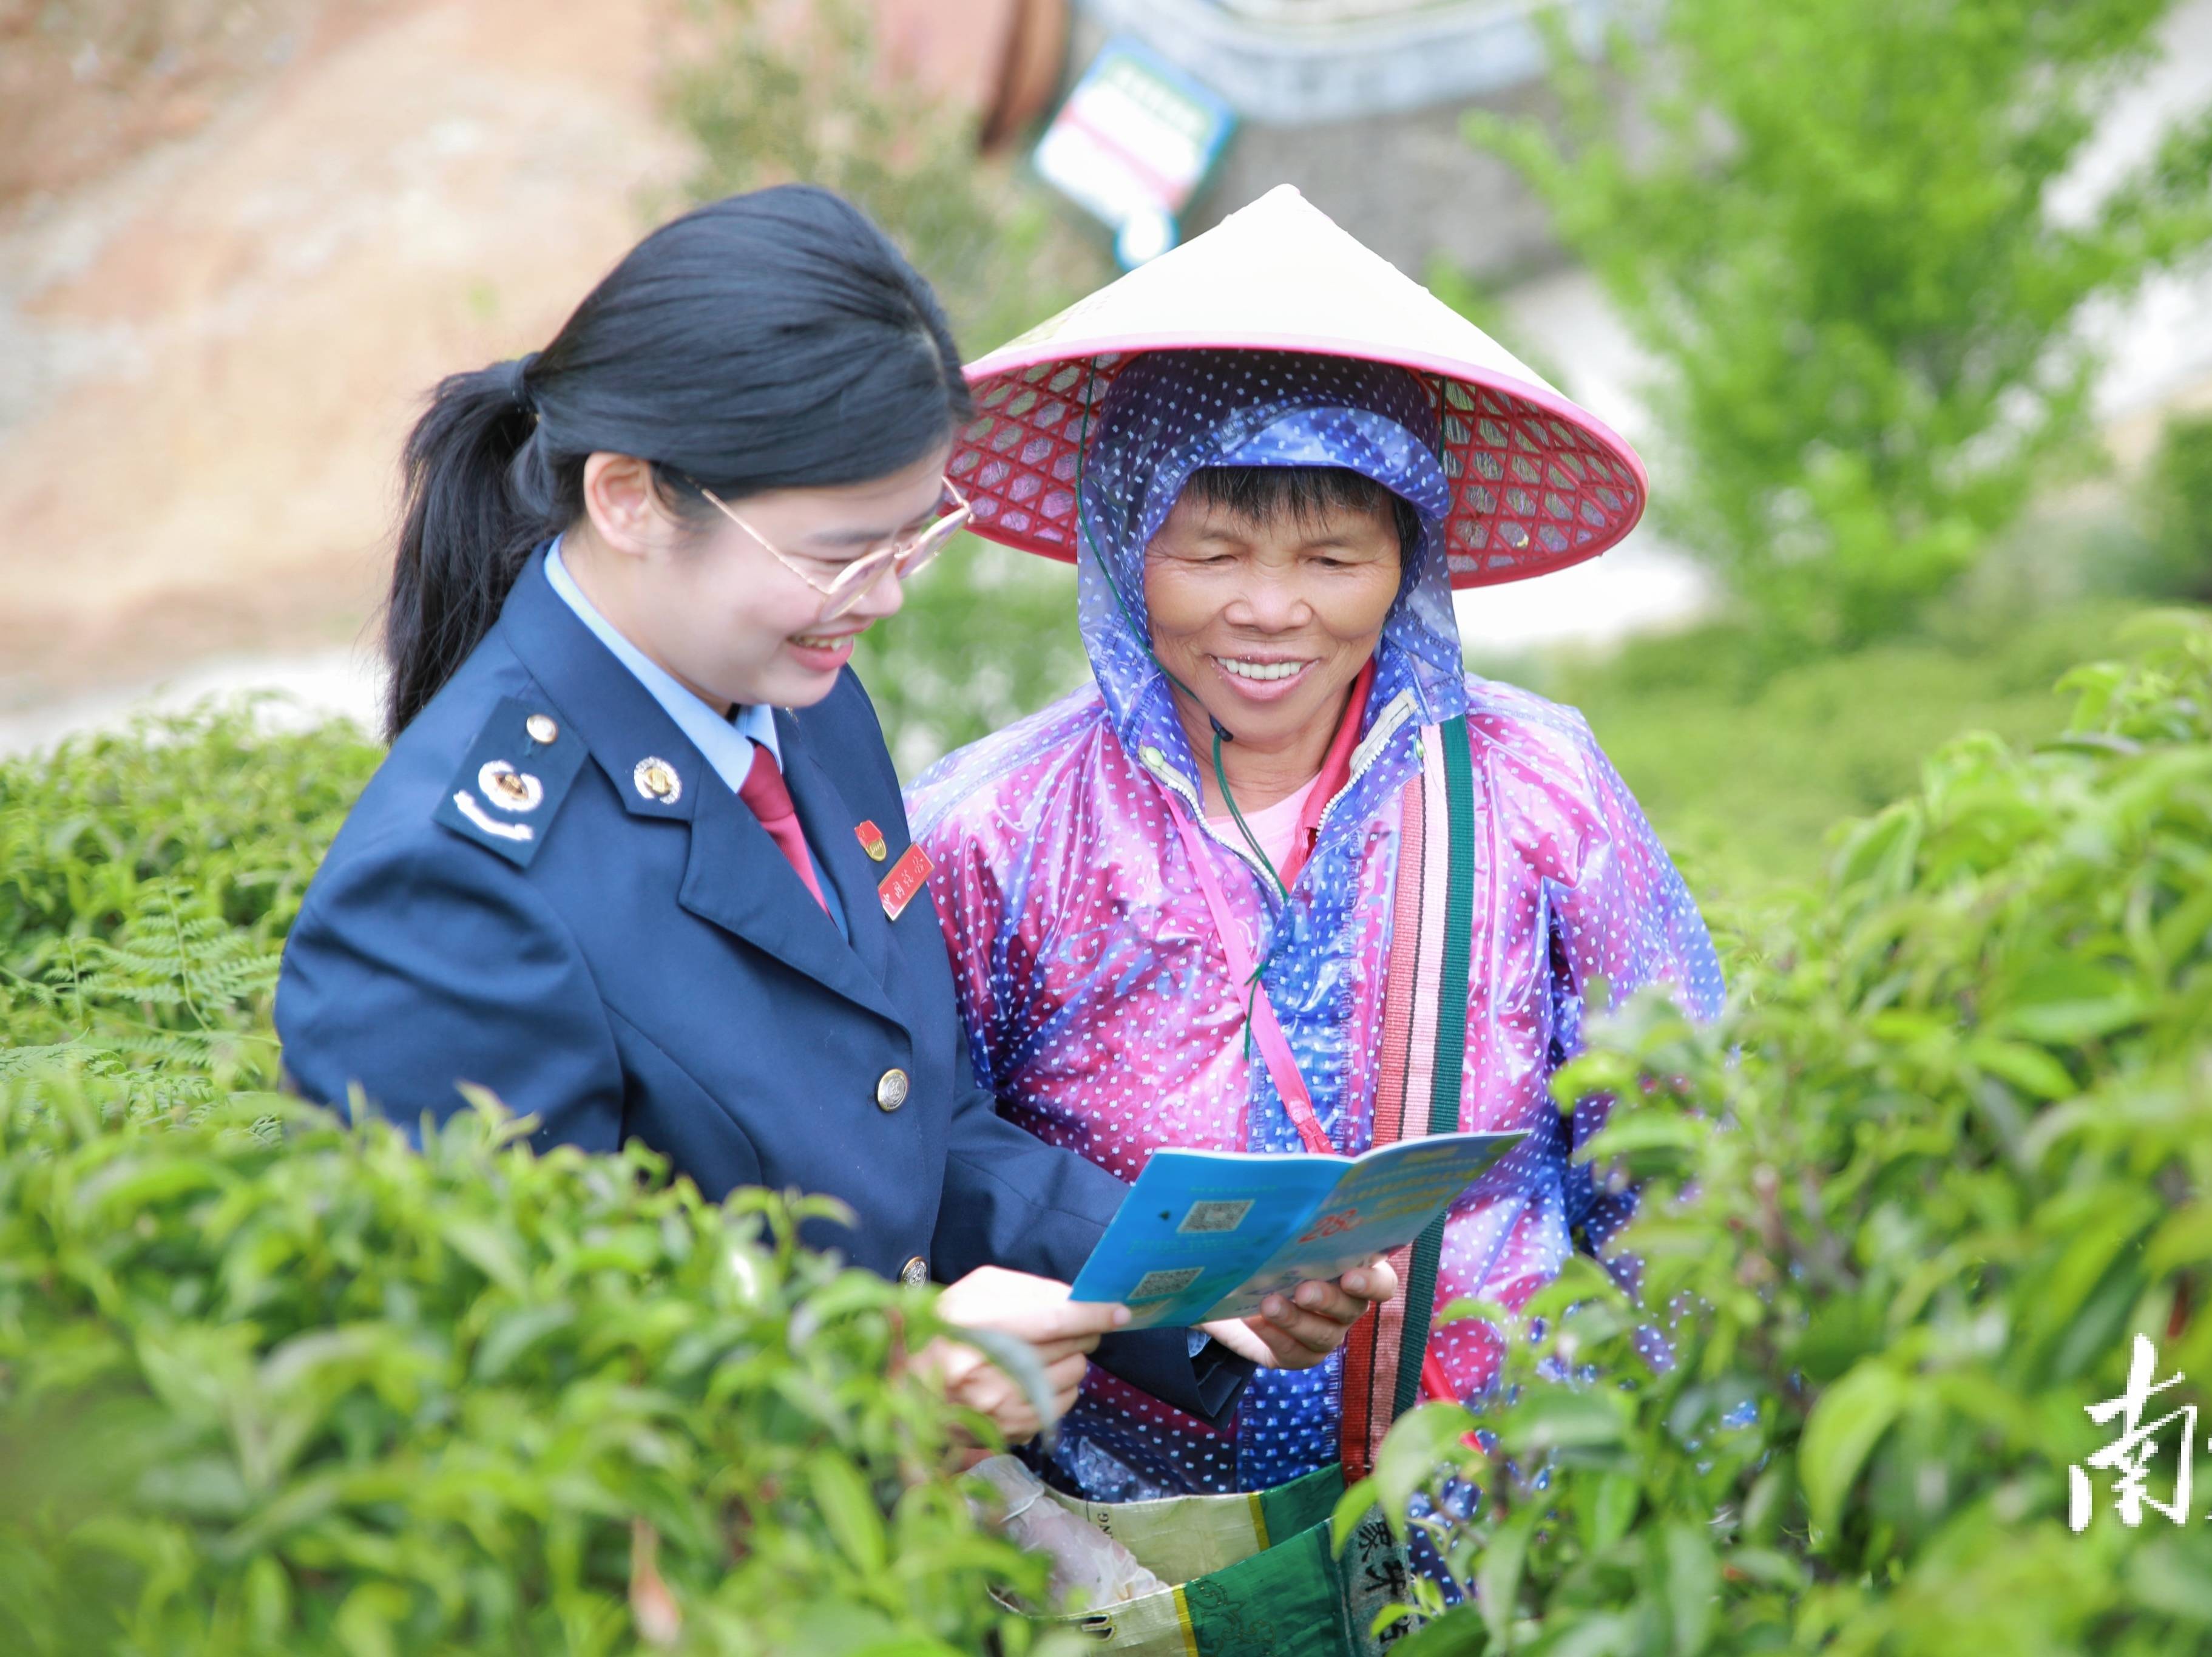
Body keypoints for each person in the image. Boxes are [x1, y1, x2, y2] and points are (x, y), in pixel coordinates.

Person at [274, 185, 1392, 1443]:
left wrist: (1189, 1285)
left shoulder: (800, 703)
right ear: (634, 497)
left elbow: (905, 1120)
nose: (885, 599)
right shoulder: (452, 885)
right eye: (839, 551)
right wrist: (872, 1396)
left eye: (915, 537)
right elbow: (490, 1390)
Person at [908, 188, 1726, 1504]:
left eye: (1333, 557)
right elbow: (922, 1162)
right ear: (1125, 549)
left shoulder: (1535, 787)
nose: (1272, 610)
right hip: (1136, 1543)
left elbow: (1674, 1150)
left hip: (1509, 1521)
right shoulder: (993, 831)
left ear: (1409, 557)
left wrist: (1693, 1484)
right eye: (1211, 552)